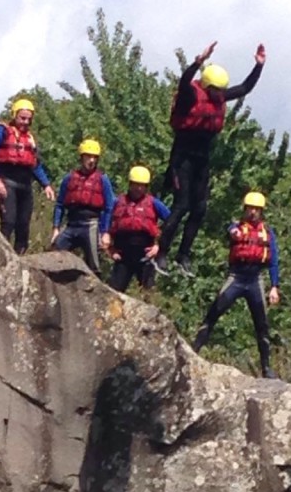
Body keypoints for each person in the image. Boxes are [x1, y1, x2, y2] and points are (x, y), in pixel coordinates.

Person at [156, 40, 266, 275]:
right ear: (206, 85)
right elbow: (184, 81)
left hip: (201, 158)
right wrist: (198, 61)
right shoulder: (191, 96)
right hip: (182, 157)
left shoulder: (218, 97)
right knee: (181, 205)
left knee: (200, 209)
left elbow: (245, 88)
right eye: (215, 90)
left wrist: (258, 66)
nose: (219, 94)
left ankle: (183, 255)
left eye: (220, 90)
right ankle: (161, 253)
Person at [192, 191, 280, 378]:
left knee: (262, 324)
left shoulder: (268, 233)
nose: (253, 212)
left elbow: (273, 261)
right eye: (250, 208)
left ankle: (266, 367)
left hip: (255, 279)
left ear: (261, 211)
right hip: (237, 277)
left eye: (257, 209)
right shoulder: (236, 227)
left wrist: (274, 286)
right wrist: (232, 231)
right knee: (214, 311)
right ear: (245, 209)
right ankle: (194, 350)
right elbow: (230, 231)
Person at [0, 98, 56, 254]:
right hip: (7, 182)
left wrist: (46, 184)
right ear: (14, 115)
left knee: (23, 226)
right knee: (9, 222)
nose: (25, 122)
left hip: (25, 185)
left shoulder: (29, 139)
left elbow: (34, 164)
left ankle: (20, 260)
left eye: (28, 119)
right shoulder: (1, 131)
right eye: (22, 118)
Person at [51, 140, 115, 274]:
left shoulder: (102, 179)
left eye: (94, 157)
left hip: (91, 225)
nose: (91, 160)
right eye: (88, 156)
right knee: (55, 249)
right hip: (72, 225)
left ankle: (96, 289)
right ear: (81, 157)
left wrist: (105, 233)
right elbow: (60, 204)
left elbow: (109, 207)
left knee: (94, 265)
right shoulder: (69, 178)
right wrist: (56, 228)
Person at [107, 166, 170, 293]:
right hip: (123, 256)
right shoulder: (118, 202)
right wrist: (110, 249)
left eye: (142, 185)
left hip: (145, 255)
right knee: (113, 293)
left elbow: (171, 222)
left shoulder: (154, 203)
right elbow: (105, 225)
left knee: (148, 292)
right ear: (130, 184)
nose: (139, 188)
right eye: (136, 185)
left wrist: (158, 246)